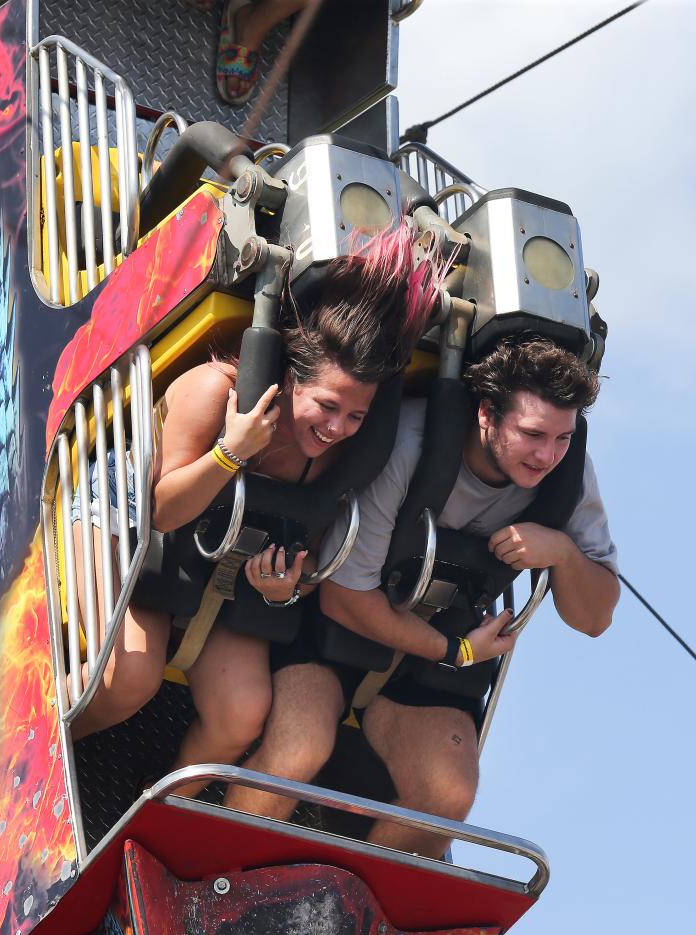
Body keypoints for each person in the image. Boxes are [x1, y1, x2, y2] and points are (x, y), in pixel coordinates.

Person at [70, 224, 445, 796]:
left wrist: (282, 589)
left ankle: (151, 809)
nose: (337, 428)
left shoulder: (343, 457)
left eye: (355, 417)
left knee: (241, 714)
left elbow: (312, 553)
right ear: (291, 377)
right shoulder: (215, 392)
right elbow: (163, 512)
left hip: (212, 554)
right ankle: (55, 757)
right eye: (327, 405)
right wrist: (230, 453)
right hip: (128, 514)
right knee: (129, 679)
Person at [224, 338, 620, 854]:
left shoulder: (565, 472)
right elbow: (343, 598)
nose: (547, 455)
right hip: (344, 629)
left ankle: (343, 915)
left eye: (563, 438)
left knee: (447, 795)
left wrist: (565, 553)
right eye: (532, 434)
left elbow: (595, 619)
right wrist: (457, 651)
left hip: (441, 644)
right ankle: (217, 875)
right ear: (486, 415)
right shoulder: (411, 442)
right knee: (298, 752)